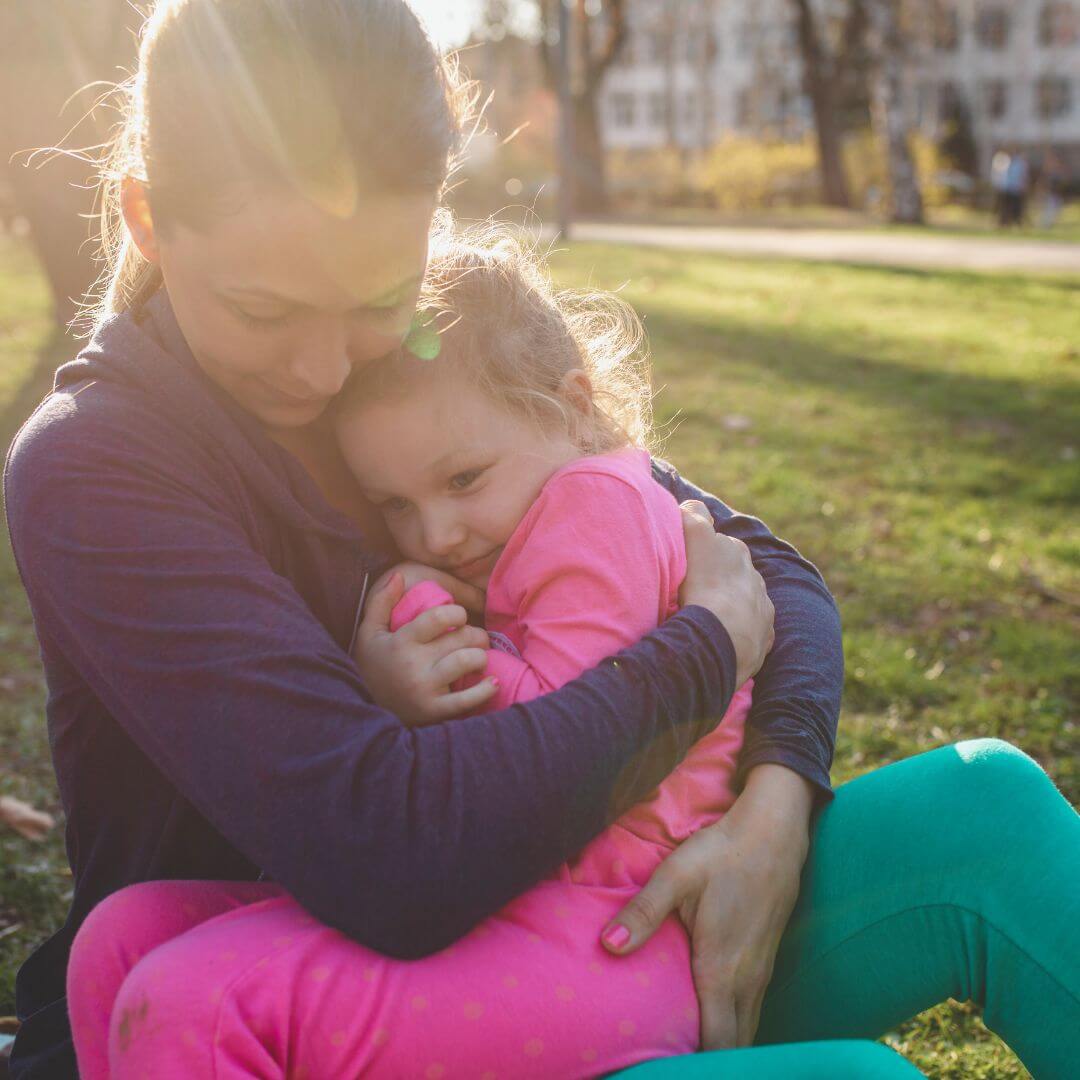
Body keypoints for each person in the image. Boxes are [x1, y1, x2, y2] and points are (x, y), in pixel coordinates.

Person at [5, 2, 1078, 1078]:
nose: (325, 371)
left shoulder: (417, 361)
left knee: (986, 812)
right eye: (264, 310)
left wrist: (771, 814)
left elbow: (763, 572)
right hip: (283, 1013)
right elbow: (391, 856)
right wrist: (702, 653)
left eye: (374, 297)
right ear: (147, 218)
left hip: (594, 925)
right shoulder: (100, 466)